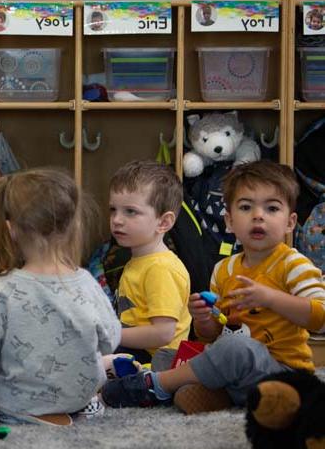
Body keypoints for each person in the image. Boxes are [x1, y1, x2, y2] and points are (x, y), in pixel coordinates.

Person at [102, 161, 325, 414]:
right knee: (199, 374)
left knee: (236, 350)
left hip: (286, 374)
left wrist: (271, 298)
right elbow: (214, 335)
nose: (258, 215)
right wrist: (204, 319)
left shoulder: (293, 264)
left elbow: (320, 317)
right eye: (245, 207)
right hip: (239, 373)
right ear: (229, 221)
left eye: (272, 208)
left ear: (290, 222)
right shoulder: (223, 269)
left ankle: (156, 384)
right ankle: (230, 395)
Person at [0, 169, 121, 425]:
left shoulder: (0, 291)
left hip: (19, 407)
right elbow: (111, 339)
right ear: (73, 226)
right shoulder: (86, 282)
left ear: (11, 229)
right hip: (79, 398)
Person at [108, 161, 191, 370]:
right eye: (113, 210)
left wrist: (111, 335)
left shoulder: (161, 268)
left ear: (163, 222)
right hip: (137, 350)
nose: (117, 219)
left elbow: (163, 333)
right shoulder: (139, 261)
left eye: (130, 211)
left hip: (157, 361)